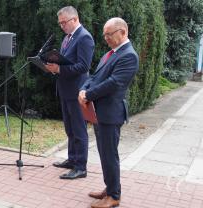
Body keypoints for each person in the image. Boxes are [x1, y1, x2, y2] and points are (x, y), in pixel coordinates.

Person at [78, 17, 139, 208]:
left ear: (123, 32)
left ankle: (114, 196)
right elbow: (95, 76)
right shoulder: (110, 54)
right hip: (99, 113)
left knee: (110, 155)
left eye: (109, 34)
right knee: (104, 154)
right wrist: (83, 88)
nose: (106, 38)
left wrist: (88, 94)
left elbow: (113, 83)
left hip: (111, 114)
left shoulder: (129, 55)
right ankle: (110, 187)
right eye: (104, 35)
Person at [45, 6, 95, 179]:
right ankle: (72, 159)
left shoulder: (84, 37)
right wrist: (53, 66)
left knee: (79, 130)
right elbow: (66, 62)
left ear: (74, 19)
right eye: (60, 24)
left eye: (64, 22)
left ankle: (81, 167)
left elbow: (83, 66)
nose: (62, 26)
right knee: (69, 128)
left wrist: (59, 69)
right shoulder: (68, 37)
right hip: (66, 89)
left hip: (77, 90)